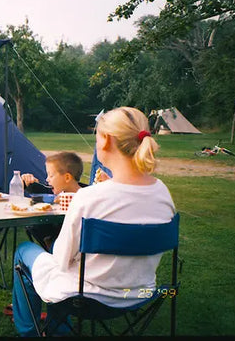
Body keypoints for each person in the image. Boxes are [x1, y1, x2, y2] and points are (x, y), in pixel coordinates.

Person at [12, 107, 176, 336]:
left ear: (106, 140)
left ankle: (30, 332)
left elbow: (60, 261)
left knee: (24, 251)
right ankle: (56, 328)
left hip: (87, 296)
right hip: (139, 293)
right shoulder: (163, 194)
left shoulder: (89, 197)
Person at [21, 152, 86, 251]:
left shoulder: (87, 196)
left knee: (24, 248)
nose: (47, 179)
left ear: (67, 177)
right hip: (59, 247)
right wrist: (27, 182)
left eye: (51, 176)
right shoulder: (56, 194)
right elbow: (40, 192)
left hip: (72, 248)